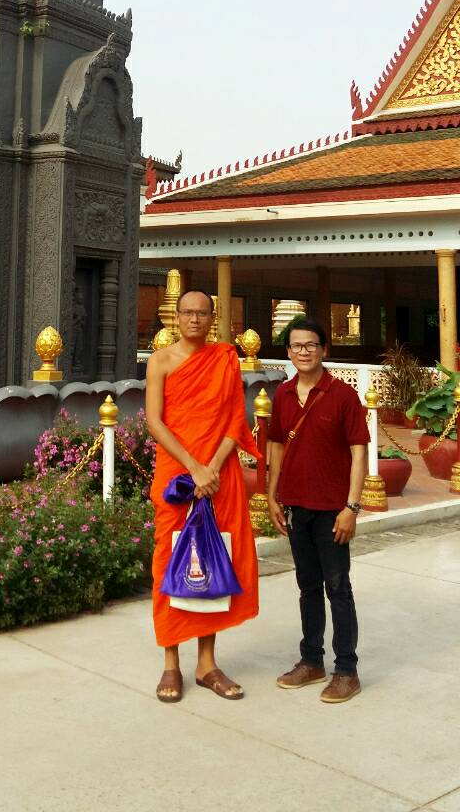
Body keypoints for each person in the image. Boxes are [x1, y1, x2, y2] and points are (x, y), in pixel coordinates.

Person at [146, 290, 261, 704]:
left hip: (219, 474)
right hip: (177, 474)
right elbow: (155, 422)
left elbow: (235, 420)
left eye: (202, 313)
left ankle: (207, 664)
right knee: (170, 558)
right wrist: (194, 467)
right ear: (176, 317)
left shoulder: (225, 359)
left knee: (215, 556)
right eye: (187, 312)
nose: (194, 319)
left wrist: (211, 467)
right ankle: (171, 662)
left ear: (212, 318)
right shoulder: (160, 361)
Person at [267, 318, 369, 704]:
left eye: (311, 345)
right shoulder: (283, 394)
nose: (304, 352)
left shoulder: (343, 395)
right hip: (296, 505)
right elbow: (276, 446)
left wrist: (351, 507)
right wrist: (272, 495)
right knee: (307, 587)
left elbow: (359, 453)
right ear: (288, 352)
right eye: (296, 346)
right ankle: (312, 661)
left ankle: (347, 670)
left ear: (324, 349)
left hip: (332, 509)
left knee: (338, 588)